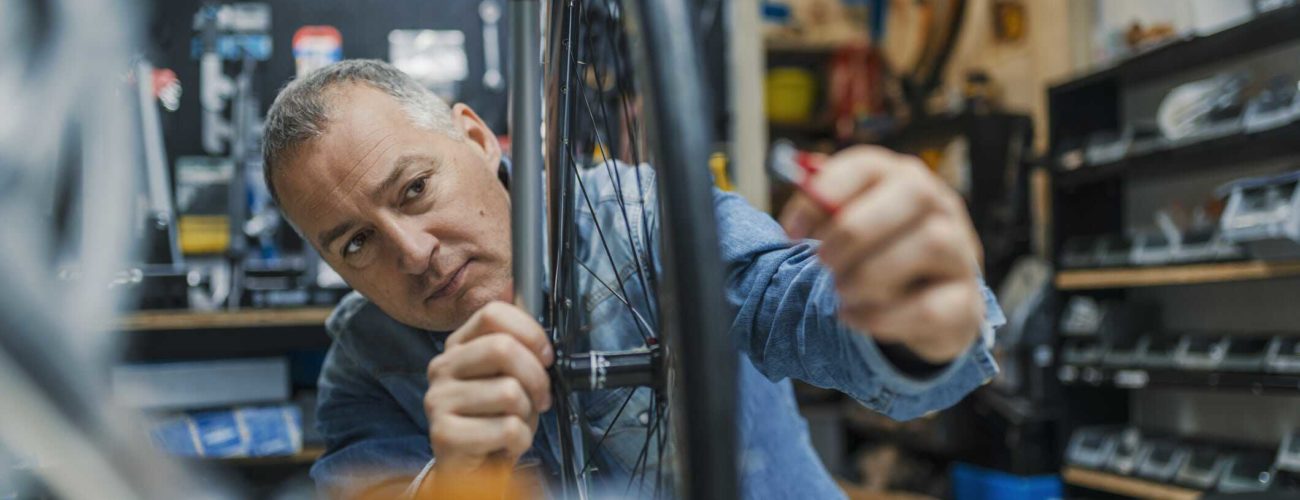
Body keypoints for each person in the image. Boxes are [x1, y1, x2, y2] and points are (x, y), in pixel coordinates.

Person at [262, 59, 1003, 499]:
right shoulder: (364, 366)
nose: (413, 252)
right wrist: (451, 478)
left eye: (415, 188)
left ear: (479, 139)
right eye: (356, 242)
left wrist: (914, 319)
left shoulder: (650, 221)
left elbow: (794, 301)